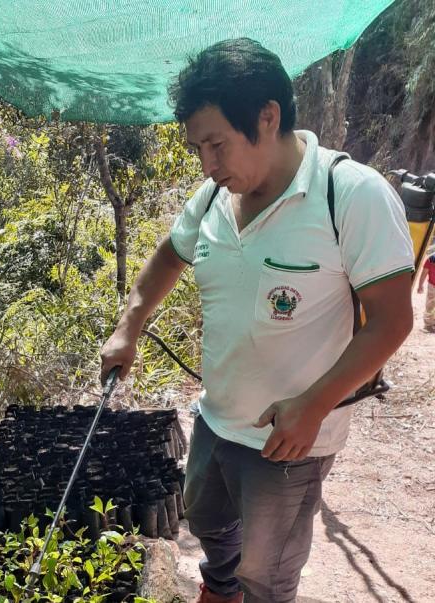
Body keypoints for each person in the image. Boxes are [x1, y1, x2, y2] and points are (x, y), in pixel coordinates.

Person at [100, 38, 414, 603]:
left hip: (289, 441)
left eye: (217, 144)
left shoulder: (349, 195)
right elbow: (169, 257)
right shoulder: (212, 199)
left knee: (267, 573)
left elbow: (391, 322)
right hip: (216, 416)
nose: (207, 164)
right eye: (198, 148)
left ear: (267, 117)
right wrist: (129, 326)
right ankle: (220, 589)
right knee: (209, 523)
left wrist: (313, 405)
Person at [417, 253, 435, 332]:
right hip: (432, 286)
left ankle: (429, 324)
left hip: (432, 286)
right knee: (430, 306)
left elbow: (424, 273)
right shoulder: (431, 259)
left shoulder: (430, 259)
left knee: (430, 306)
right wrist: (420, 285)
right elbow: (424, 273)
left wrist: (420, 285)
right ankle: (428, 325)